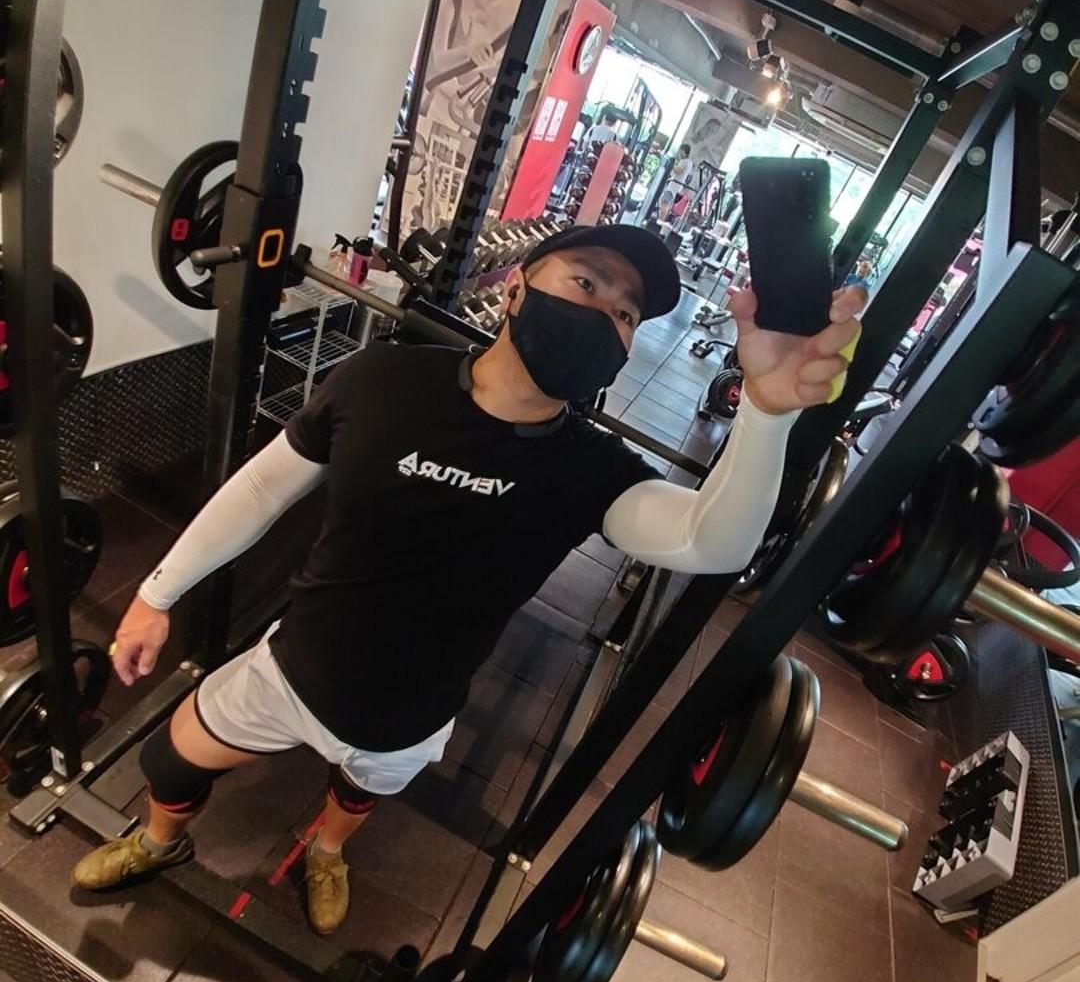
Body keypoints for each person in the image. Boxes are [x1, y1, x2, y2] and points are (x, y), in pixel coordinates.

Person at [71, 224, 863, 935]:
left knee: (359, 792)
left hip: (409, 714)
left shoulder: (589, 471)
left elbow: (711, 542)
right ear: (514, 286)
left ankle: (328, 851)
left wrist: (767, 413)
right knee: (170, 763)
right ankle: (160, 842)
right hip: (287, 670)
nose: (605, 315)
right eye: (587, 282)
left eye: (626, 314)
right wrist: (155, 594)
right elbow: (261, 489)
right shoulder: (382, 379)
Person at [658, 143, 693, 224]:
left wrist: (671, 165)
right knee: (668, 204)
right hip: (678, 187)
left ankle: (660, 220)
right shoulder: (690, 162)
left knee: (665, 202)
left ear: (683, 151)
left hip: (673, 186)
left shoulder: (684, 161)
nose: (679, 153)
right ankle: (661, 220)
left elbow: (678, 170)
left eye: (680, 151)